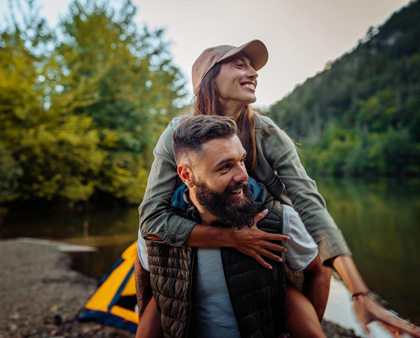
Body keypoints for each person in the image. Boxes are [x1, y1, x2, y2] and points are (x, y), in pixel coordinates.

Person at [138, 39, 420, 337]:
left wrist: (359, 293)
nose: (253, 72)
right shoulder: (178, 137)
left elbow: (311, 208)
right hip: (200, 234)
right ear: (210, 78)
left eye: (253, 66)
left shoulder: (269, 135)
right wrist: (230, 238)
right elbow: (150, 220)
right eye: (239, 64)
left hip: (270, 248)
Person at [140, 115, 329, 337]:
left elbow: (319, 271)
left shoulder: (278, 220)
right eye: (225, 167)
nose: (243, 175)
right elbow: (155, 291)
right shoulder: (157, 230)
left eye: (241, 160)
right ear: (186, 175)